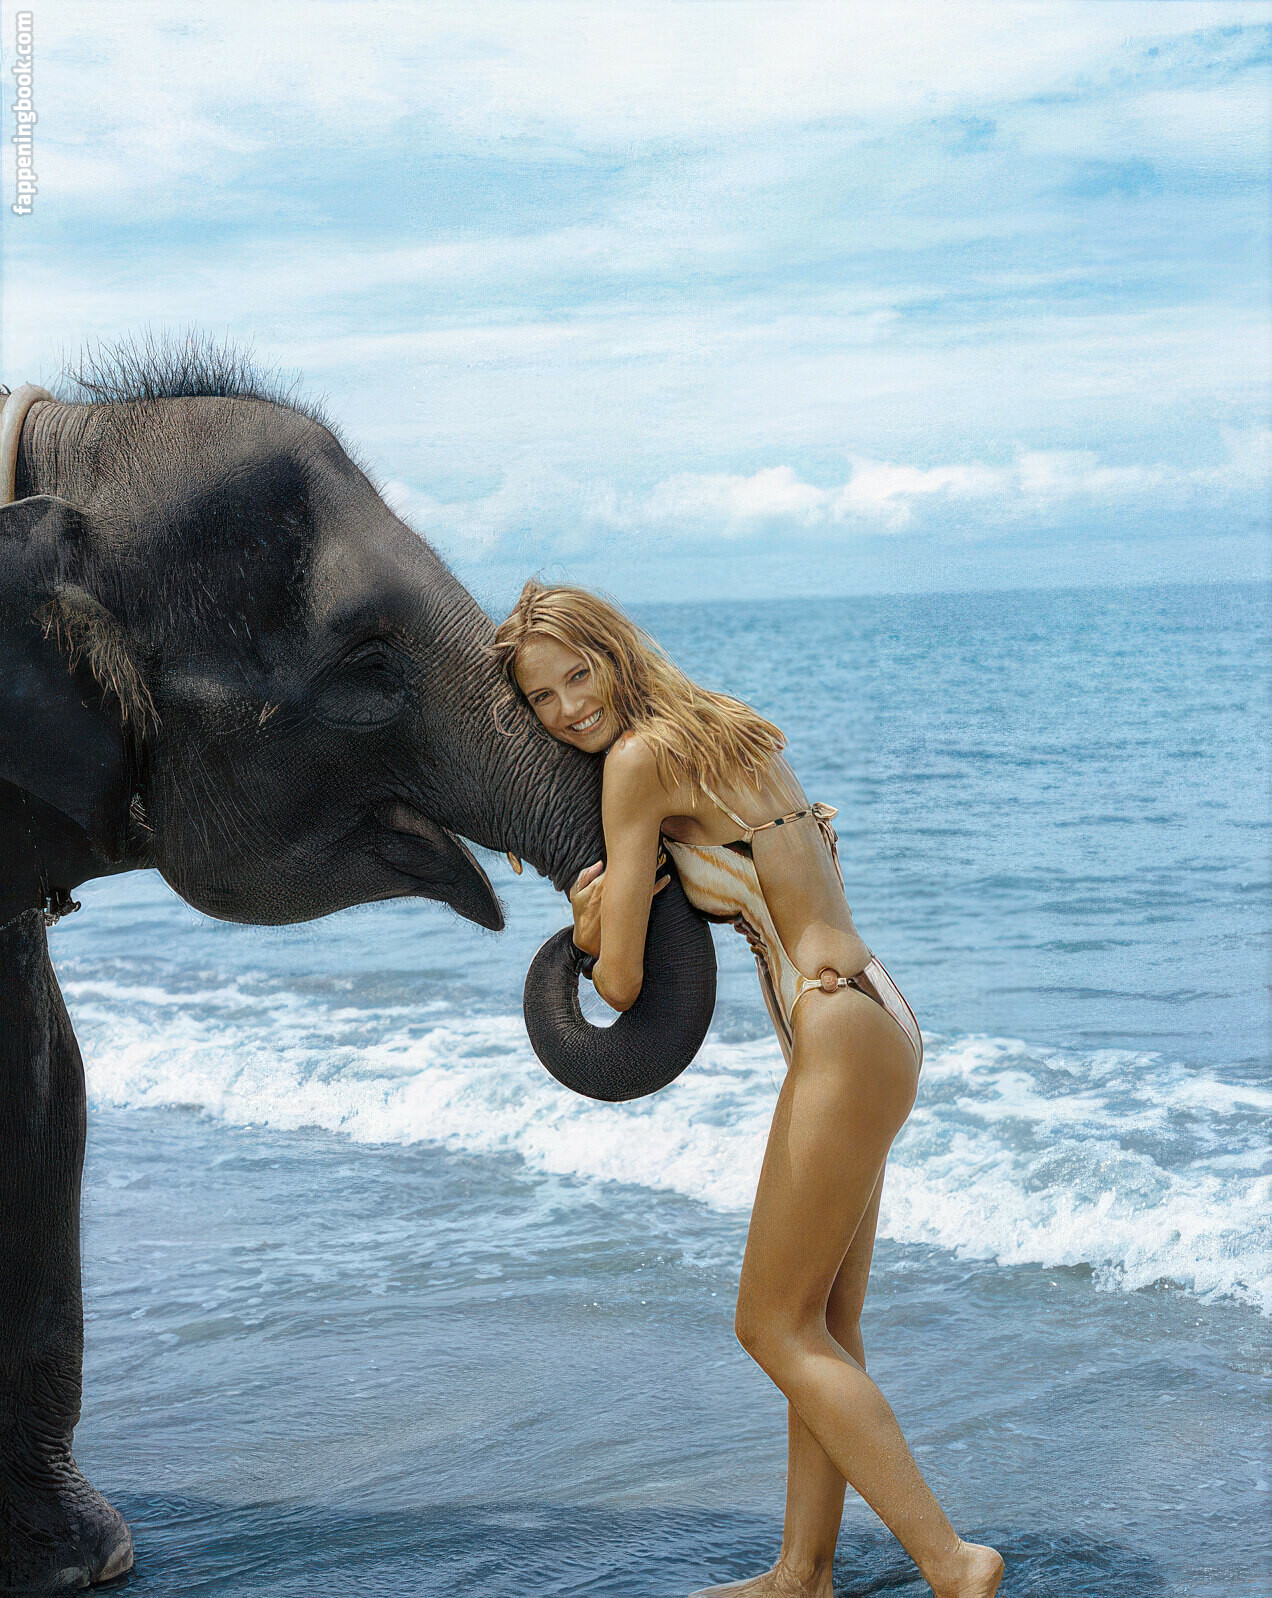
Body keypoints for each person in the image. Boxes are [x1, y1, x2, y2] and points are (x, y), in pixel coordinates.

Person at [491, 581, 1004, 1598]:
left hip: (837, 1035)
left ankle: (952, 1561)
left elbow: (622, 982)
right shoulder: (727, 729)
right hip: (878, 1014)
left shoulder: (635, 764)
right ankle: (802, 1572)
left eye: (577, 675)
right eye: (541, 697)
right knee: (825, 1325)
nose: (567, 708)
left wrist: (589, 928)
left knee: (770, 1325)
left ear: (615, 655)